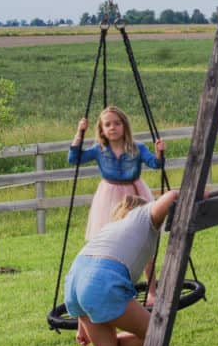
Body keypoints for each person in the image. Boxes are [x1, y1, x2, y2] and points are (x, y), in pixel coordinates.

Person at [65, 188, 179, 346]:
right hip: (102, 282)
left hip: (75, 281)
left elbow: (87, 270)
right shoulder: (142, 219)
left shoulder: (110, 232)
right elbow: (171, 197)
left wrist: (81, 325)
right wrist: (196, 193)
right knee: (158, 334)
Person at [68, 105, 166, 327]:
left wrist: (160, 151)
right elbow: (74, 159)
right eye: (107, 124)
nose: (112, 128)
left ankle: (152, 291)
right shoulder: (98, 150)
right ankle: (119, 291)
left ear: (124, 126)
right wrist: (79, 132)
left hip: (135, 194)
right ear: (102, 130)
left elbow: (156, 164)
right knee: (111, 247)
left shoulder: (137, 148)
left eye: (117, 123)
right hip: (109, 197)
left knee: (145, 243)